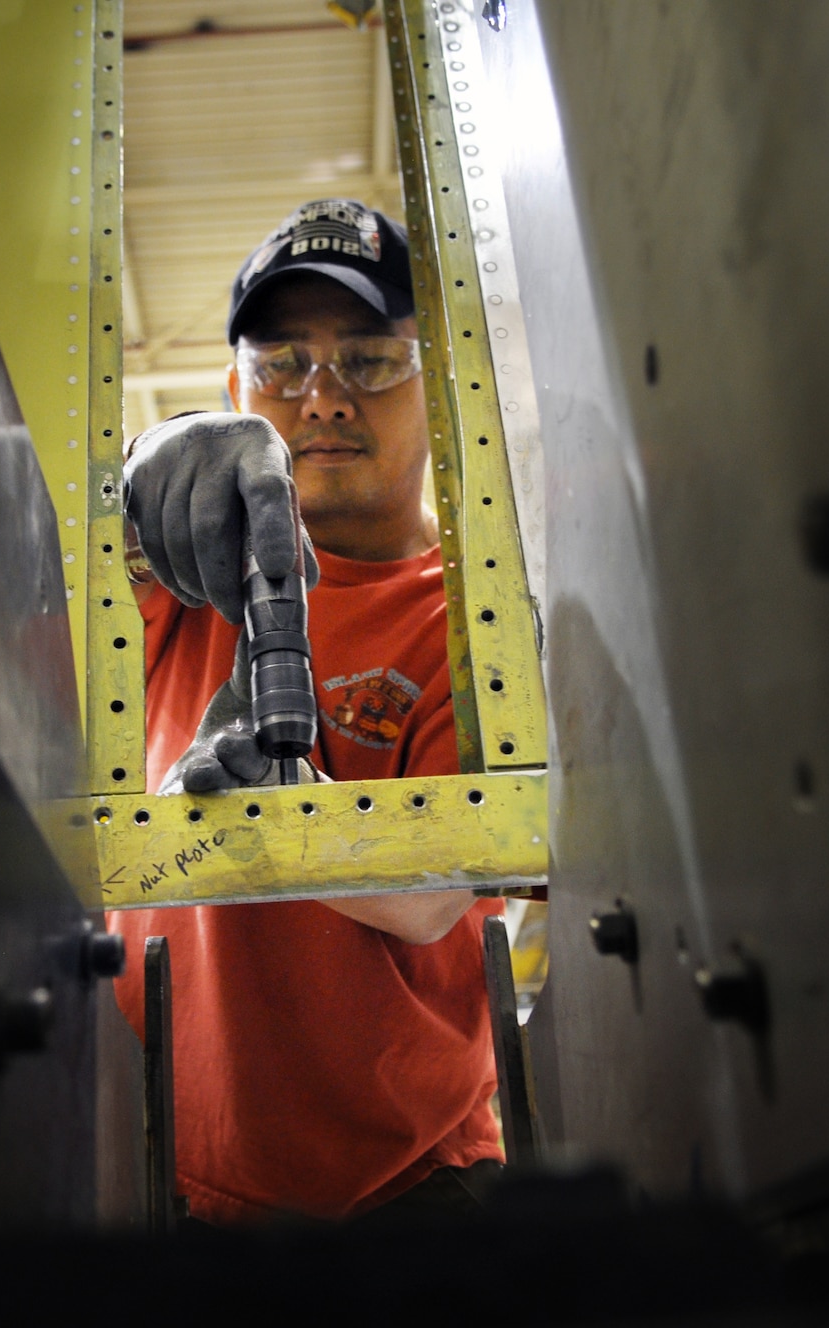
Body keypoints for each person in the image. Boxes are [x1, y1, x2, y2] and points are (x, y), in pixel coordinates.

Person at [107, 200, 505, 1225]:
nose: (320, 398)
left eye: (369, 359)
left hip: (409, 1198)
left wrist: (295, 810)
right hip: (161, 1182)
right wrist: (151, 456)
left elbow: (435, 893)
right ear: (233, 386)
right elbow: (28, 562)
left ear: (438, 386)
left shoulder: (479, 621)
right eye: (280, 364)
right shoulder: (179, 578)